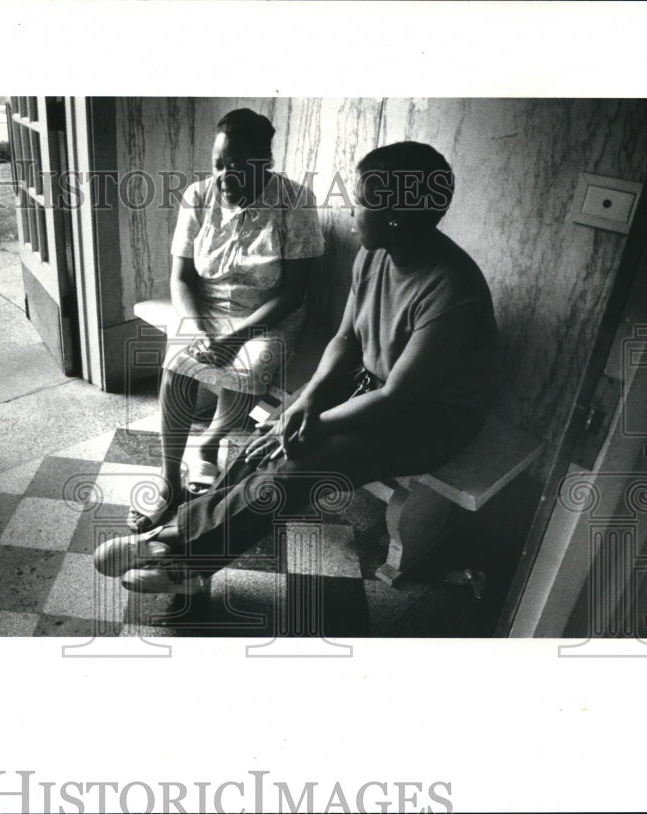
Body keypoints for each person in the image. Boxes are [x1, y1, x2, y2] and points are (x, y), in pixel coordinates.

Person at [101, 141, 498, 594]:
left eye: (361, 201)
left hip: (429, 418)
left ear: (395, 216)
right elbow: (346, 339)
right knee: (265, 442)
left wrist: (315, 422)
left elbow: (398, 398)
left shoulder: (452, 293)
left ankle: (175, 549)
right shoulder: (376, 252)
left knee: (298, 462)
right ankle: (186, 560)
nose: (351, 210)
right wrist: (305, 402)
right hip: (369, 386)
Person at [127, 108, 325, 533]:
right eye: (218, 165)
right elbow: (180, 278)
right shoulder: (198, 196)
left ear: (265, 165)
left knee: (250, 365)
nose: (224, 178)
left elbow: (294, 292)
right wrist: (196, 328)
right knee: (179, 364)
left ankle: (210, 443)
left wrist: (237, 335)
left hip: (268, 313)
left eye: (237, 168)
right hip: (202, 308)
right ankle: (168, 478)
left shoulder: (295, 202)